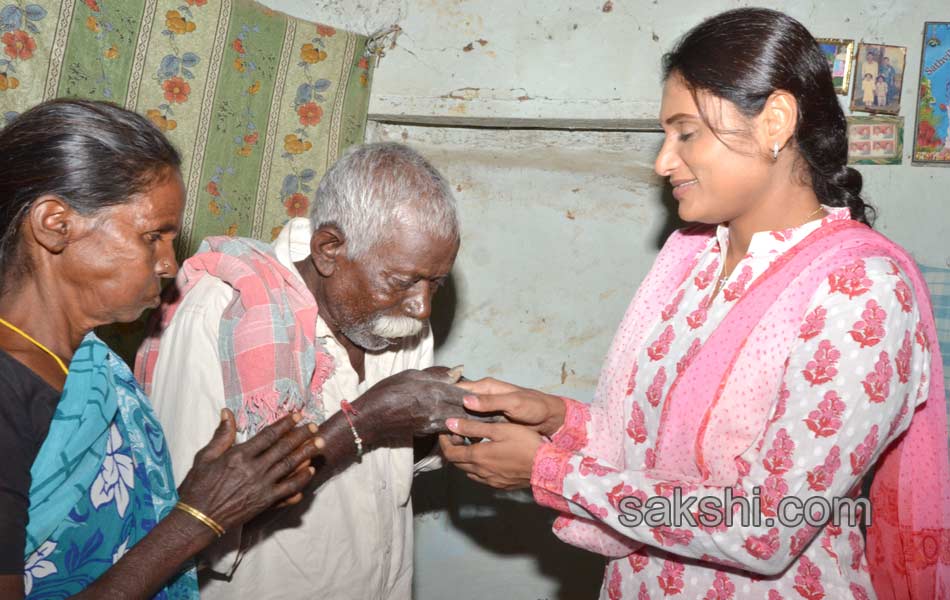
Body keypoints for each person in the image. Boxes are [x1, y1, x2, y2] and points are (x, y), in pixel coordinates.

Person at [440, 8, 948, 600]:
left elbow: (766, 525)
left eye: (686, 133)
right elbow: (663, 451)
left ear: (774, 121)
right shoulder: (694, 259)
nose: (663, 161)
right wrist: (557, 418)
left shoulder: (861, 290)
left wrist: (550, 472)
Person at [0, 99, 326, 599]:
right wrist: (198, 518)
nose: (170, 265)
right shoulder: (7, 390)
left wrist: (205, 494)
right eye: (152, 236)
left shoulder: (93, 366)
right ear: (54, 224)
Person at [138, 142, 464, 599]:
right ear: (329, 249)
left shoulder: (401, 319)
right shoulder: (221, 313)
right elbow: (179, 526)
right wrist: (364, 421)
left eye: (437, 282)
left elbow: (389, 462)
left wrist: (450, 419)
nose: (422, 305)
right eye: (404, 280)